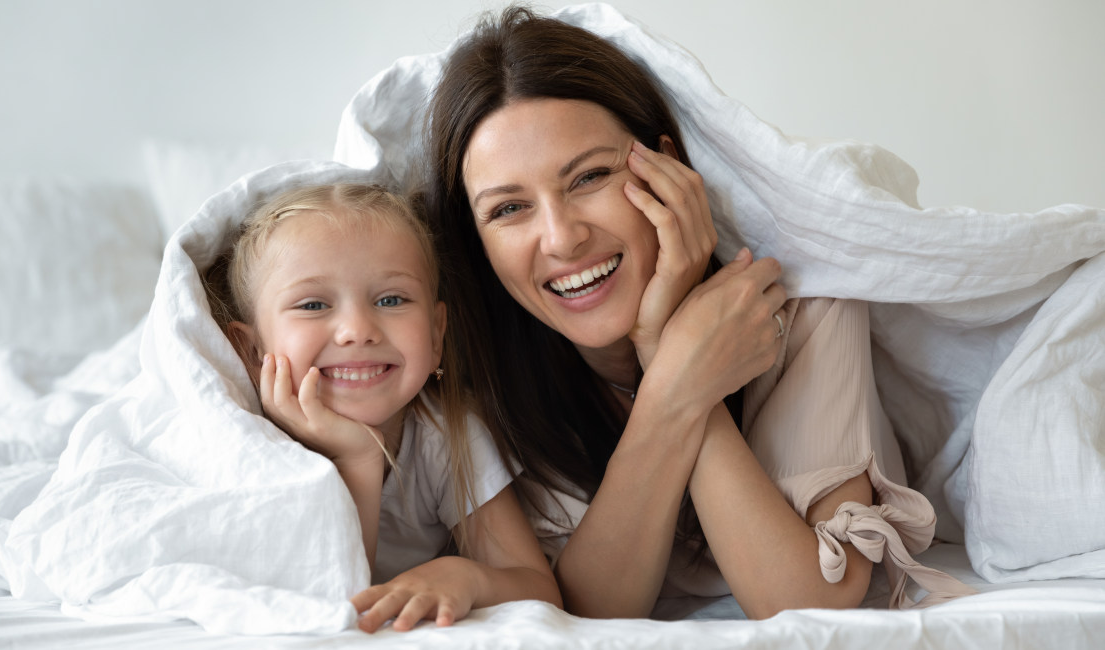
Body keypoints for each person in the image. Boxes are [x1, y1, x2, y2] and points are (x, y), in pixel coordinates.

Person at [424, 6, 974, 620]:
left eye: (589, 177)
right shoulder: (469, 381)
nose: (560, 239)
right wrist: (676, 384)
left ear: (671, 172)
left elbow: (811, 601)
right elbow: (582, 618)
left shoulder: (801, 297)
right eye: (508, 210)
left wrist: (669, 349)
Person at [217, 182, 561, 632]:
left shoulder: (448, 432)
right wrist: (358, 457)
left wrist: (469, 575)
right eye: (313, 304)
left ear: (437, 335)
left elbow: (539, 588)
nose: (357, 330)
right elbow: (329, 606)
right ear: (251, 351)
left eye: (391, 299)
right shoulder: (251, 443)